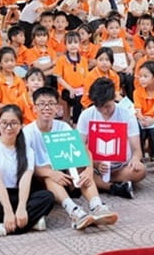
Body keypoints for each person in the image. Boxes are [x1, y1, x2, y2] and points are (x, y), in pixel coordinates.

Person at [24, 88, 115, 230]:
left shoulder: (63, 127)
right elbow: (25, 167)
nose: (46, 107)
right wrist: (50, 173)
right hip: (40, 179)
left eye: (51, 103)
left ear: (57, 108)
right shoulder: (28, 132)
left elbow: (84, 151)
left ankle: (97, 206)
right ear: (34, 108)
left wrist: (89, 169)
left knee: (81, 166)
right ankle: (74, 211)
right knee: (50, 173)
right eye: (42, 104)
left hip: (65, 174)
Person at [0, 105, 55, 238]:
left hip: (18, 194)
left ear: (21, 125)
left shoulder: (27, 150)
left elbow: (25, 180)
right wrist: (7, 211)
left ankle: (1, 229)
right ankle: (30, 223)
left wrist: (22, 207)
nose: (8, 127)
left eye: (13, 123)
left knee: (47, 197)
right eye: (4, 123)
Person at [77, 78, 147, 198]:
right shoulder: (86, 115)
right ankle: (113, 187)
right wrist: (95, 164)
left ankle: (100, 183)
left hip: (120, 167)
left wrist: (135, 159)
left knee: (140, 170)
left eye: (107, 106)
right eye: (100, 107)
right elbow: (79, 146)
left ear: (114, 98)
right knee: (75, 169)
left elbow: (137, 150)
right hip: (94, 166)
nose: (104, 111)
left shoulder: (127, 114)